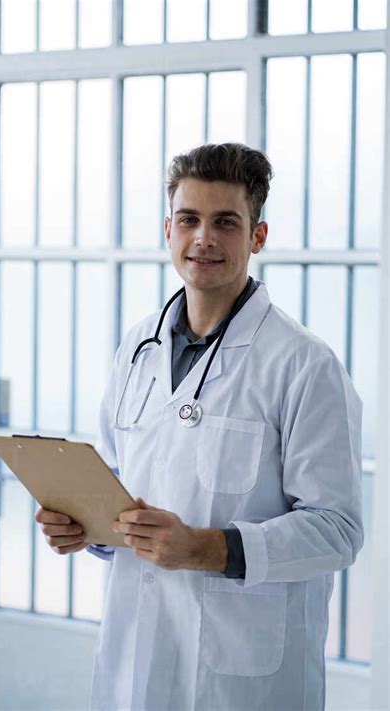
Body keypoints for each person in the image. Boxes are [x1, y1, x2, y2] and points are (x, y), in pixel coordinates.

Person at [35, 143, 364, 711]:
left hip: (242, 678)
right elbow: (120, 481)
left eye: (225, 223)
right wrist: (87, 528)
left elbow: (337, 530)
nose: (203, 239)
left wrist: (208, 548)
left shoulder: (304, 364)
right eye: (188, 220)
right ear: (169, 229)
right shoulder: (137, 350)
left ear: (257, 237)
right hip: (135, 657)